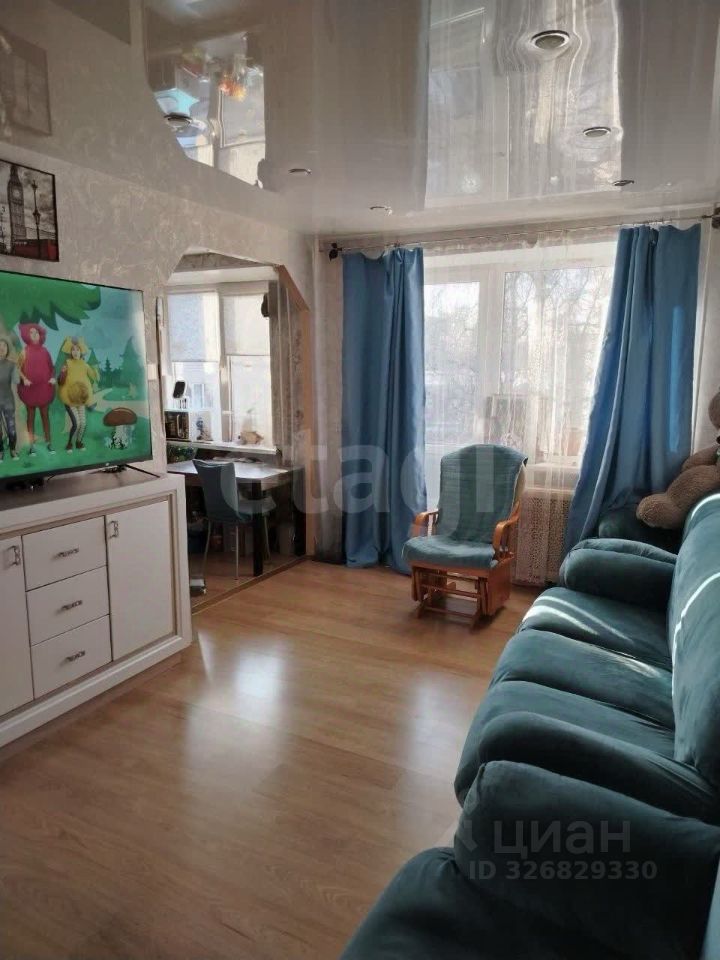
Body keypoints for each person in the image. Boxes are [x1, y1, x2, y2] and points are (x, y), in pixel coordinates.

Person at [17, 323, 56, 456]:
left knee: (45, 416)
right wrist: (24, 379)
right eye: (31, 333)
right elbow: (18, 369)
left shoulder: (45, 351)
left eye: (36, 333)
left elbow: (51, 368)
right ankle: (31, 446)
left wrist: (52, 377)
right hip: (30, 390)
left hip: (44, 389)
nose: (34, 335)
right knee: (30, 417)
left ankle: (49, 443)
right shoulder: (24, 351)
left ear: (40, 335)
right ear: (27, 335)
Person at [57, 335, 99, 452]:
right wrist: (62, 373)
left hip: (81, 399)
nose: (75, 352)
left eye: (77, 349)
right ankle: (69, 443)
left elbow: (93, 376)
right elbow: (60, 381)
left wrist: (96, 371)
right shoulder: (67, 363)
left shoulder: (85, 365)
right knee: (76, 423)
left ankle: (79, 442)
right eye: (73, 350)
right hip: (70, 399)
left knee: (83, 423)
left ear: (81, 352)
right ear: (70, 352)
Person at [0, 338, 19, 460]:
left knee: (11, 429)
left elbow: (16, 381)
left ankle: (12, 449)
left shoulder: (11, 365)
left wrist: (17, 367)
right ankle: (0, 451)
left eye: (4, 346)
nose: (1, 348)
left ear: (7, 349)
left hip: (8, 402)